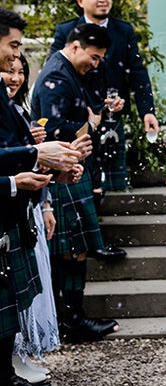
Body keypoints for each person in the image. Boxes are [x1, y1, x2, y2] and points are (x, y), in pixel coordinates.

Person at [0, 9, 82, 386]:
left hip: (13, 215)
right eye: (13, 45)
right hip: (7, 210)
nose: (18, 57)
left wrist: (46, 162)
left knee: (6, 314)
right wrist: (33, 155)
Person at [50, 0, 157, 264]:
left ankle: (94, 236)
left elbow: (136, 71)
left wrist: (146, 109)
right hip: (81, 118)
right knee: (84, 176)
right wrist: (85, 107)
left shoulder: (123, 30)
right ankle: (87, 239)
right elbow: (58, 72)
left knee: (102, 179)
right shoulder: (66, 31)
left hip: (111, 116)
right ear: (80, 1)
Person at [32, 23, 121, 343]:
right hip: (62, 168)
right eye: (94, 58)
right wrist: (91, 124)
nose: (95, 64)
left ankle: (69, 317)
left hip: (70, 167)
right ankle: (70, 320)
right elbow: (56, 129)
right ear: (74, 47)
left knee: (75, 249)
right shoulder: (57, 75)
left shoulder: (69, 71)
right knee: (71, 250)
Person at [2, 55, 60, 382]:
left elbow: (33, 166)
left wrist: (48, 202)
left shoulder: (22, 113)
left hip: (27, 208)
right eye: (8, 70)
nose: (15, 77)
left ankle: (17, 360)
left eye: (20, 71)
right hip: (8, 207)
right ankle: (11, 366)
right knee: (11, 293)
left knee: (24, 291)